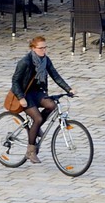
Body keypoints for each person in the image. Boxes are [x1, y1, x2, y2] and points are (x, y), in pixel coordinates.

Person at [10, 35, 73, 165]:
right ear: (33, 48)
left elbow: (55, 75)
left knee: (52, 106)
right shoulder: (25, 62)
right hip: (25, 94)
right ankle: (31, 151)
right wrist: (21, 97)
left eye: (45, 47)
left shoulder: (46, 60)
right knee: (38, 119)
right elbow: (15, 81)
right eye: (41, 48)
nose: (44, 51)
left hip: (38, 92)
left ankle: (35, 128)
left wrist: (68, 89)